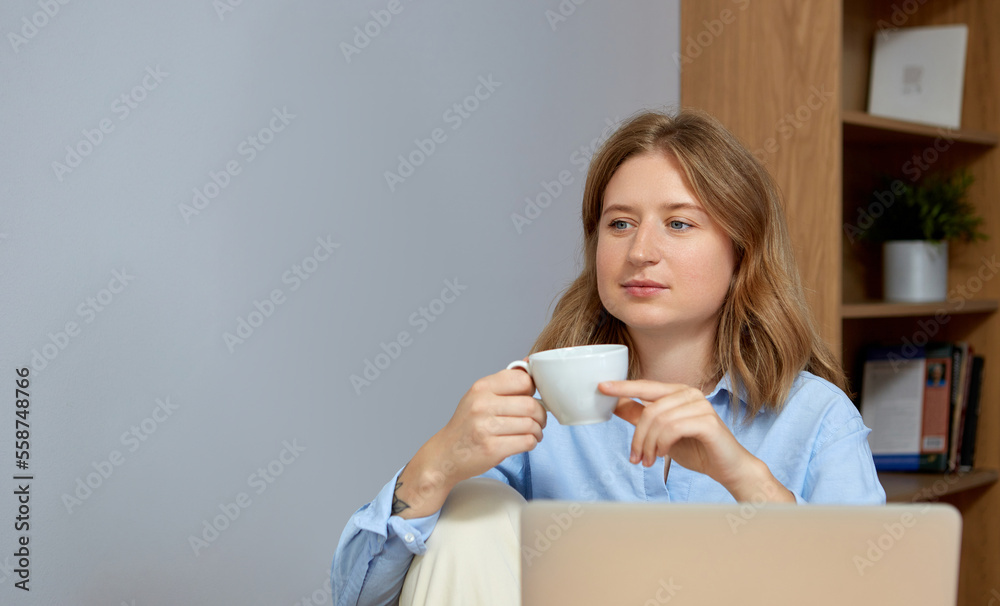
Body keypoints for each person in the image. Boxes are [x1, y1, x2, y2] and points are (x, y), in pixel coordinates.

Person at [331, 108, 886, 606]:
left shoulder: (819, 418)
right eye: (619, 223)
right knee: (469, 510)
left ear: (742, 253)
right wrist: (436, 466)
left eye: (678, 223)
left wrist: (743, 477)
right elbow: (358, 599)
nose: (640, 252)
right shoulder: (534, 411)